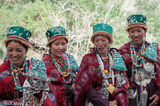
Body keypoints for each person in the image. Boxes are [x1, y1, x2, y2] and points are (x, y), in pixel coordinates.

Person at [74, 23, 129, 106]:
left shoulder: (117, 59)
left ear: (109, 41)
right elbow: (86, 88)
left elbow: (122, 83)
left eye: (103, 40)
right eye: (97, 41)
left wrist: (116, 101)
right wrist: (106, 104)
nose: (100, 44)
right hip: (94, 102)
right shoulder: (88, 59)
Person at [0, 26, 48, 105]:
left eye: (19, 50)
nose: (14, 54)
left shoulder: (36, 66)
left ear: (26, 50)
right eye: (10, 50)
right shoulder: (2, 71)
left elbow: (44, 95)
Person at [119, 14, 160, 106]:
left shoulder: (153, 49)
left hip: (152, 94)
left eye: (139, 31)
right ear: (129, 34)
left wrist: (158, 93)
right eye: (132, 31)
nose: (136, 35)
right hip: (131, 96)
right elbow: (118, 76)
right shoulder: (123, 50)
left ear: (145, 32)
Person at [42, 26, 78, 106]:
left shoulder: (70, 59)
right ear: (50, 46)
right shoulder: (45, 63)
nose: (60, 47)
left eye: (63, 44)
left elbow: (78, 78)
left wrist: (72, 87)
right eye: (56, 44)